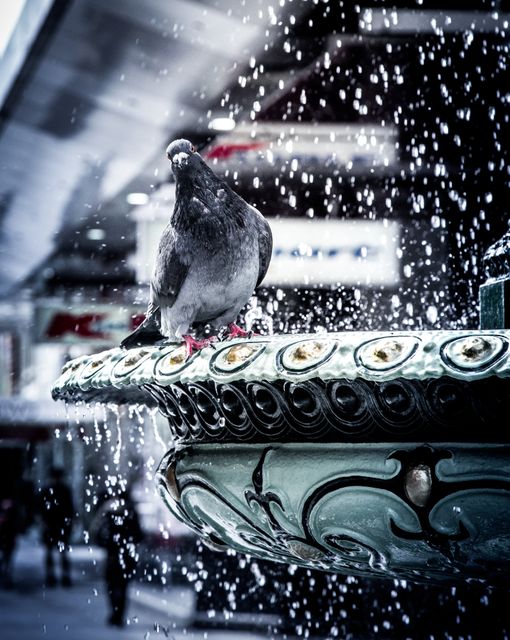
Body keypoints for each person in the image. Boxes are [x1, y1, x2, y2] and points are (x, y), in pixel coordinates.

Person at [92, 486, 143, 627]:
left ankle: (114, 612)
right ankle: (119, 614)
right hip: (127, 555)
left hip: (112, 555)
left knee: (111, 585)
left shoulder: (109, 511)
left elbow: (99, 532)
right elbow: (139, 535)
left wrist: (105, 545)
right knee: (123, 586)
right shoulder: (132, 512)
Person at [39, 466, 74, 587]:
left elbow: (70, 509)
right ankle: (54, 576)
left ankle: (58, 576)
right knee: (55, 552)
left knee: (59, 552)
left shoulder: (57, 490)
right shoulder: (60, 490)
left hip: (56, 524)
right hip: (54, 524)